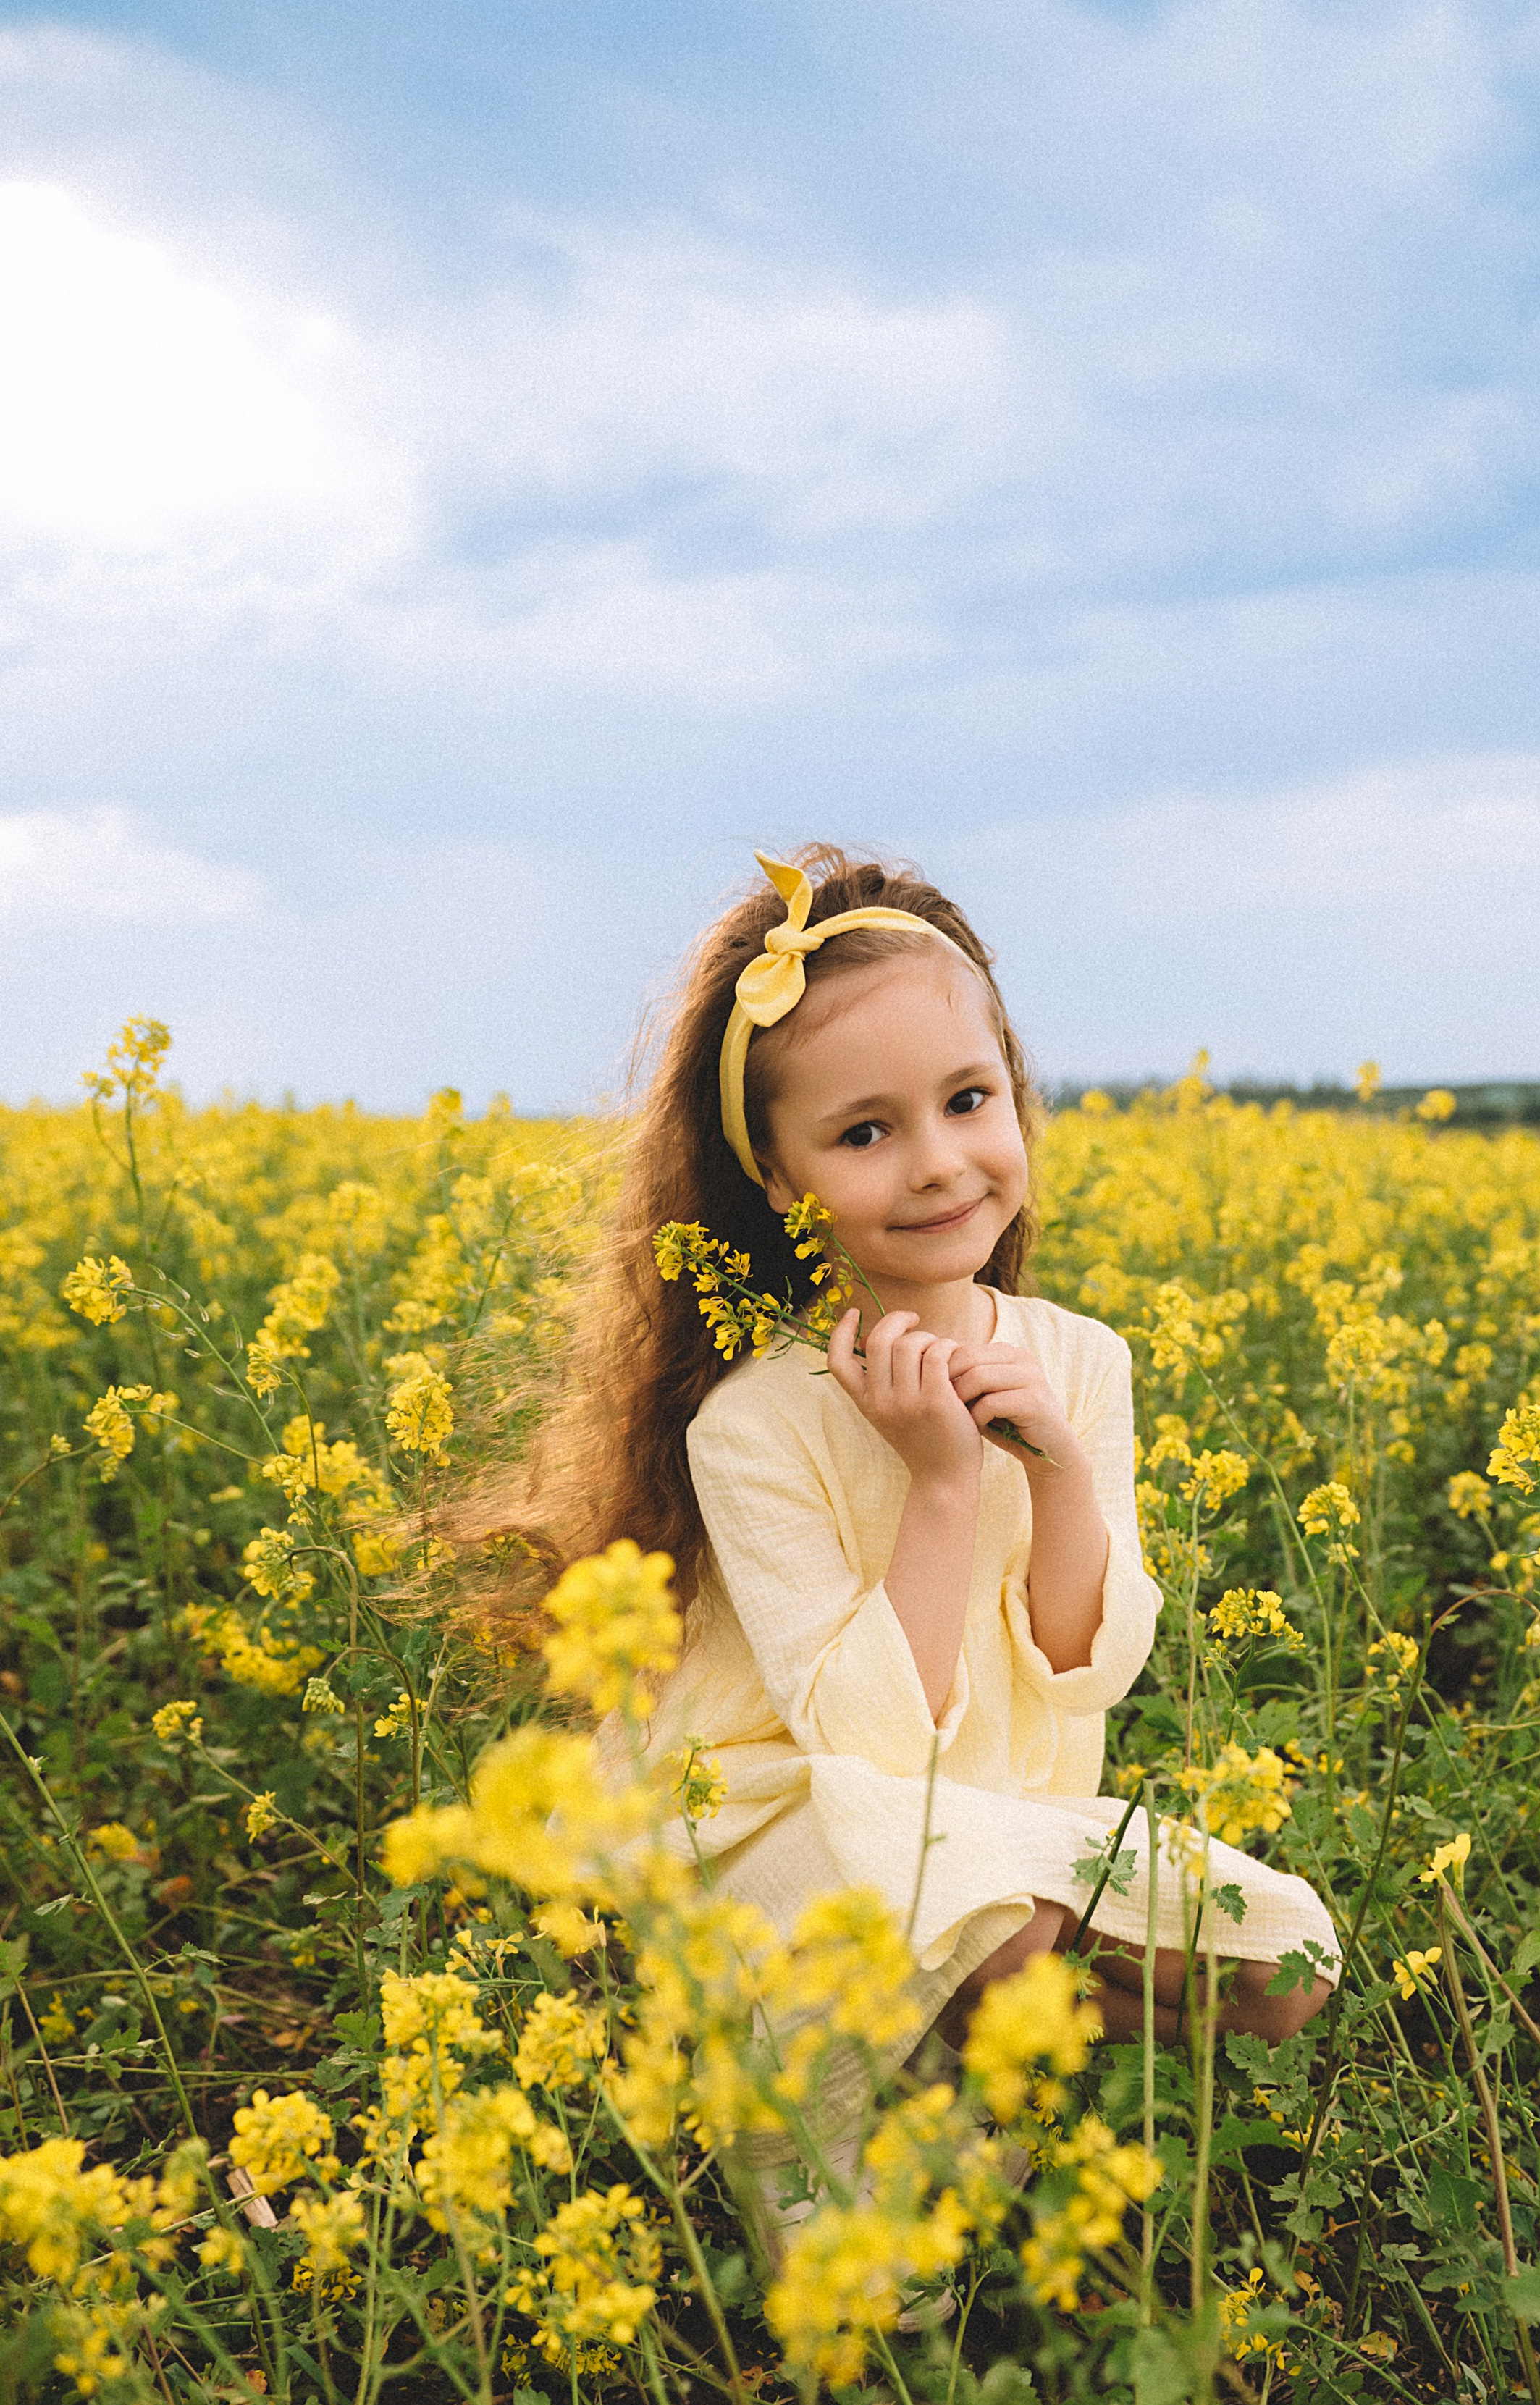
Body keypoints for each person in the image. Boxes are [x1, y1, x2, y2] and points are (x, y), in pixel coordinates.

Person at [450, 843, 1336, 2134]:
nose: (936, 1162)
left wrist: (1063, 1474)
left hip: (996, 1817)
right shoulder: (753, 1420)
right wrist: (941, 1485)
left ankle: (953, 2054)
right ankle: (841, 2086)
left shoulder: (1082, 1362)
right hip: (774, 1817)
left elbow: (1094, 1666)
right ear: (779, 1183)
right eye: (866, 1132)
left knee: (1281, 1965)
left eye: (969, 1101)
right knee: (1012, 1929)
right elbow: (868, 1746)